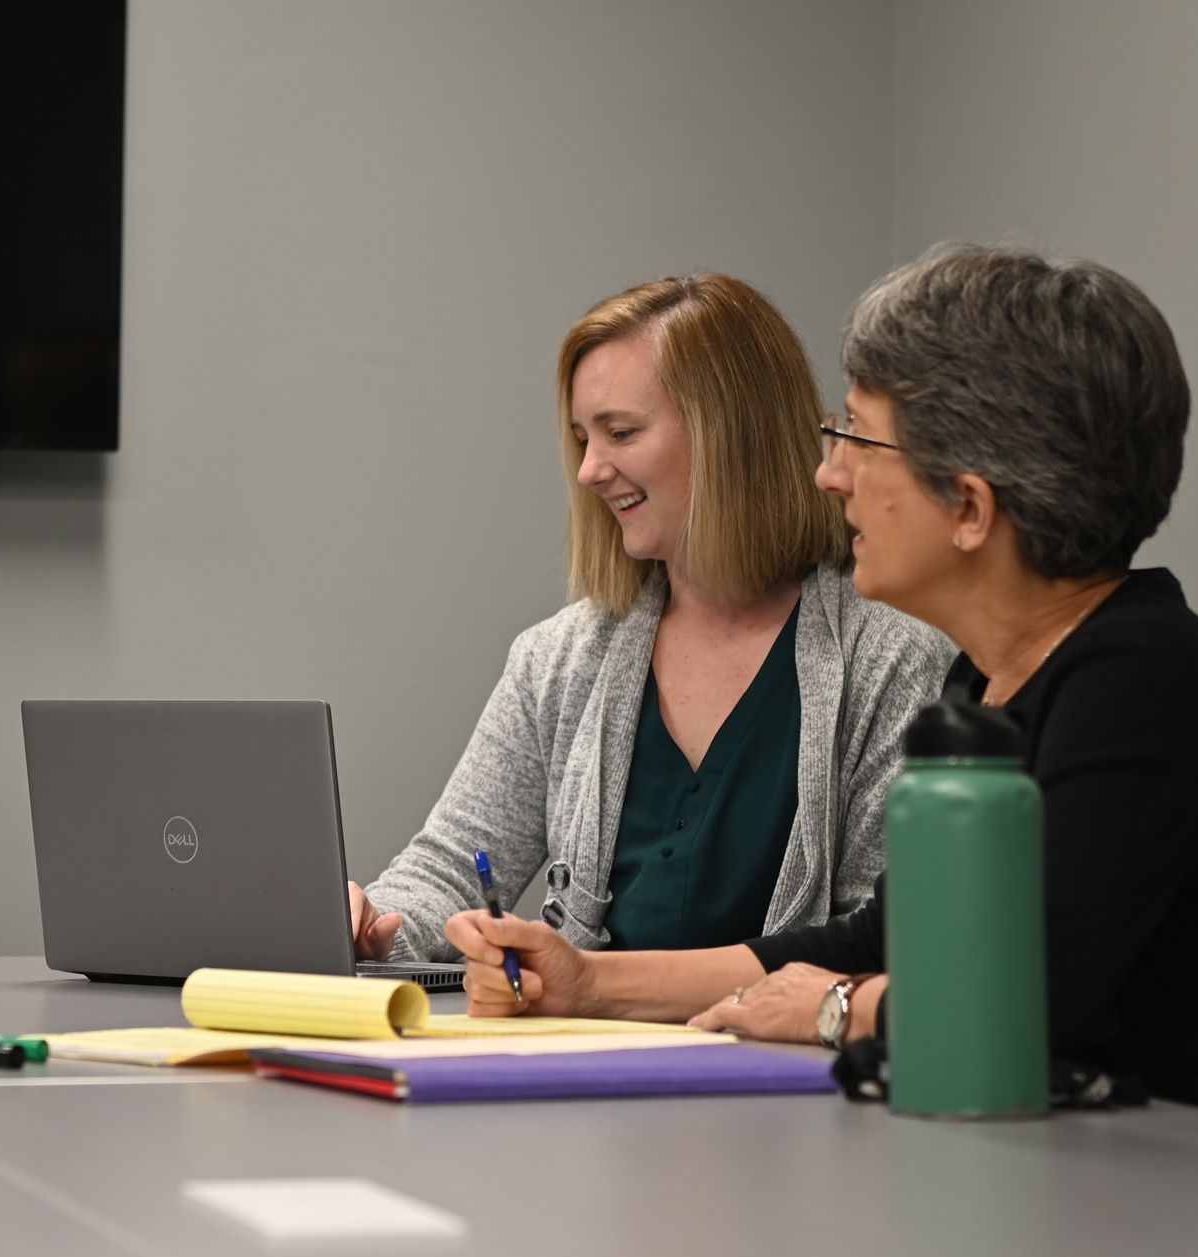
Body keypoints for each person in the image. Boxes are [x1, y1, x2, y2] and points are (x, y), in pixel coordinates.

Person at [448, 246, 1198, 1136]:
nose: (827, 473)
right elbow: (884, 939)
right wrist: (591, 984)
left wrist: (838, 1010)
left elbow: (1027, 1009)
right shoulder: (995, 683)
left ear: (968, 508)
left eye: (855, 437)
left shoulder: (1142, 680)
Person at [350, 275, 955, 967]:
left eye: (621, 432)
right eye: (582, 437)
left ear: (733, 432)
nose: (589, 470)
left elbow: (885, 939)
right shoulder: (557, 658)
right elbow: (451, 867)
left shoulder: (895, 661)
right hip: (585, 1064)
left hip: (791, 1068)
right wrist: (375, 922)